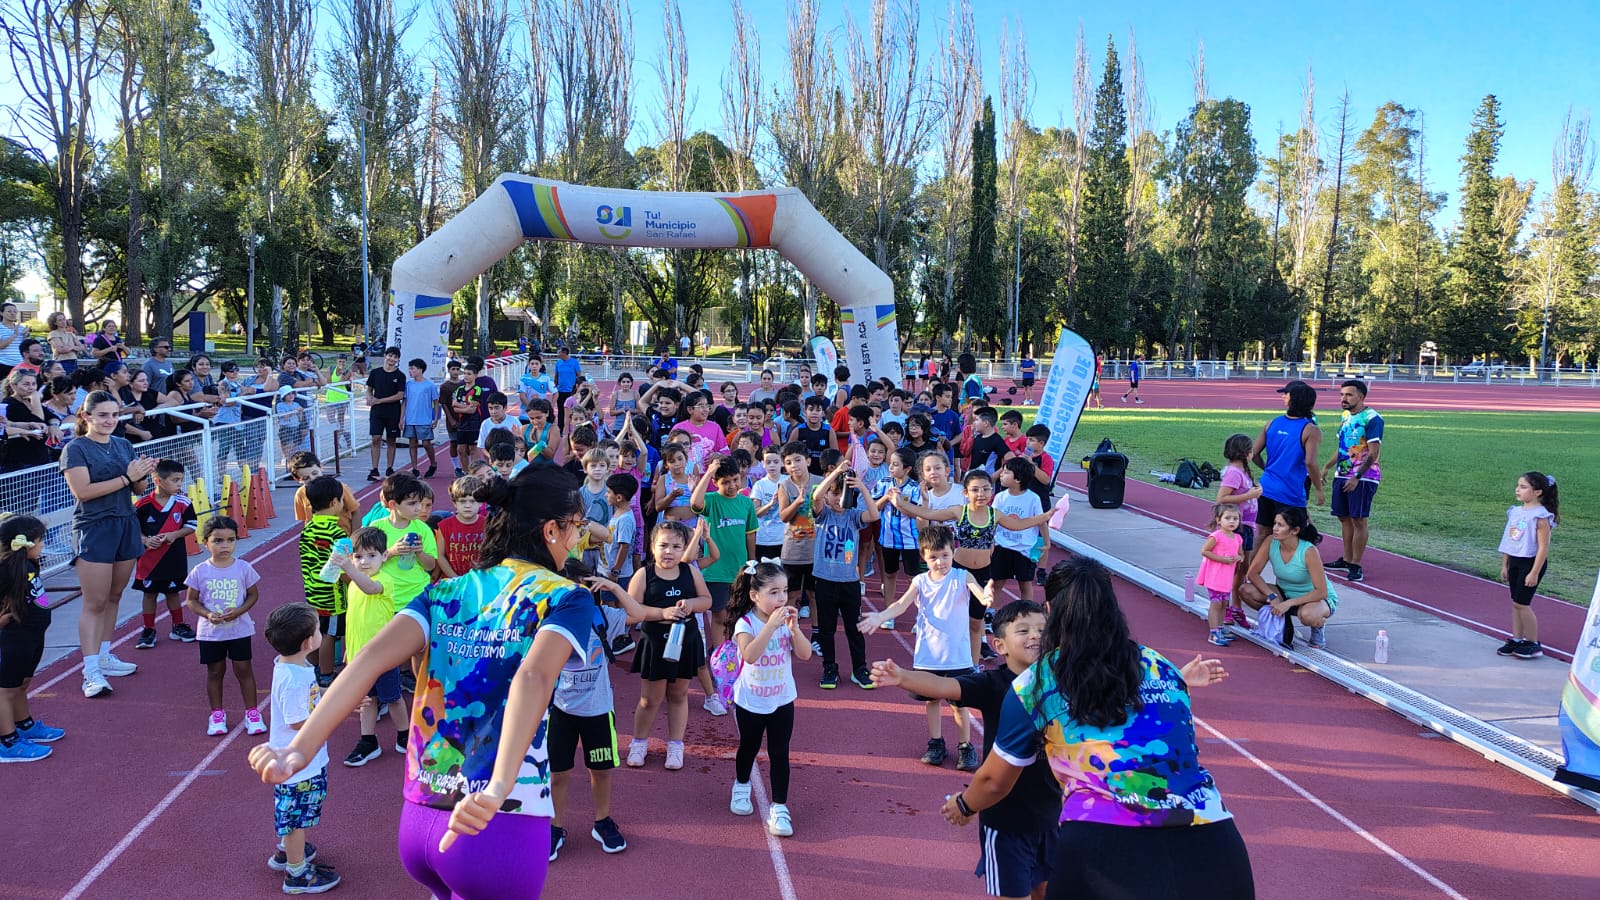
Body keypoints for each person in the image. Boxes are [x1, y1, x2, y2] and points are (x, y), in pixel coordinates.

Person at [250, 466, 601, 898]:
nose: (579, 539)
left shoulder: (446, 591)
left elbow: (367, 659)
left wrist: (298, 749)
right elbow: (533, 675)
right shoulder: (566, 596)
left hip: (421, 815)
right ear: (552, 529)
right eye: (578, 528)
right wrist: (498, 787)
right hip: (497, 820)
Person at [942, 558, 1248, 900]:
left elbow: (993, 781)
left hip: (1104, 851)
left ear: (1050, 612)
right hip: (1214, 845)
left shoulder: (1035, 683)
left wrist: (964, 805)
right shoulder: (1159, 664)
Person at [870, 600, 1059, 900]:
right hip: (1007, 823)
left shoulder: (1061, 682)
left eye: (1042, 629)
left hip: (1053, 816)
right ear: (999, 646)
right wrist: (903, 677)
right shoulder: (994, 685)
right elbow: (944, 686)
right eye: (1023, 630)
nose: (1035, 635)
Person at [892, 466, 1052, 674]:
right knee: (953, 620)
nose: (981, 494)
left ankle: (973, 666)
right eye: (975, 490)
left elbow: (1019, 524)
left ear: (991, 492)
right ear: (966, 493)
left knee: (976, 623)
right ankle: (943, 661)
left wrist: (1046, 515)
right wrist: (900, 503)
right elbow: (928, 513)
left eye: (986, 489)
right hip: (957, 572)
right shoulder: (960, 511)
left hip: (983, 573)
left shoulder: (995, 514)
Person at [859, 525, 993, 770]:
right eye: (933, 557)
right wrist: (881, 616)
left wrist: (987, 598)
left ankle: (965, 746)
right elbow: (901, 603)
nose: (940, 562)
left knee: (959, 704)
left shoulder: (962, 577)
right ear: (923, 556)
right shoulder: (920, 581)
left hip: (957, 656)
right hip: (929, 656)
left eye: (944, 555)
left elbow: (979, 594)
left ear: (953, 552)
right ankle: (936, 742)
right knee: (931, 702)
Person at [62, 390, 155, 698]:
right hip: (94, 527)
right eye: (103, 415)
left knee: (114, 596)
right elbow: (83, 492)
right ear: (86, 416)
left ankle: (103, 655)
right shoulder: (76, 449)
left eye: (115, 415)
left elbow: (139, 489)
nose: (110, 421)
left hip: (125, 523)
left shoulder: (124, 444)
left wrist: (143, 475)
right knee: (95, 601)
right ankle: (90, 671)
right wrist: (127, 479)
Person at [546, 577, 643, 860]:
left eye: (582, 592)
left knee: (600, 771)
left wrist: (613, 588)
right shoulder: (551, 620)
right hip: (561, 710)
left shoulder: (603, 616)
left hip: (597, 710)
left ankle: (602, 822)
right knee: (557, 774)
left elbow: (637, 614)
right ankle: (555, 828)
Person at [722, 559, 811, 837]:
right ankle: (741, 785)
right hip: (751, 701)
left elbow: (805, 655)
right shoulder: (745, 623)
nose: (782, 598)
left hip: (782, 699)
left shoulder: (786, 622)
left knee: (779, 753)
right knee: (748, 747)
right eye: (773, 592)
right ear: (754, 595)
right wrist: (772, 627)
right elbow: (749, 655)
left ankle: (780, 807)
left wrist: (794, 629)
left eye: (784, 591)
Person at [262, 603, 342, 893]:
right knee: (296, 818)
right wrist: (334, 713)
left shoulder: (291, 665)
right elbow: (299, 722)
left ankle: (287, 851)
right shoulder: (294, 679)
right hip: (299, 765)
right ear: (309, 642)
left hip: (297, 762)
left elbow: (311, 696)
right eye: (318, 629)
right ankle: (296, 874)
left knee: (291, 813)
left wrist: (332, 696)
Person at [624, 520, 712, 770]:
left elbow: (706, 600)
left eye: (676, 546)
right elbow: (631, 613)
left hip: (685, 641)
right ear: (652, 547)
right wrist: (662, 613)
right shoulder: (644, 575)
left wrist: (691, 605)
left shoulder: (690, 571)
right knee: (650, 699)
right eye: (663, 545)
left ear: (685, 548)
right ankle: (639, 743)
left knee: (679, 694)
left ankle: (675, 746)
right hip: (655, 643)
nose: (669, 551)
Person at [184, 516, 265, 736]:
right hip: (211, 633)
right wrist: (208, 614)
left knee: (244, 669)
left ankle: (252, 713)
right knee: (215, 672)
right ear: (205, 542)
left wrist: (238, 612)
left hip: (239, 629)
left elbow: (252, 595)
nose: (225, 545)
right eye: (218, 541)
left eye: (230, 540)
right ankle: (217, 714)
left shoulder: (243, 568)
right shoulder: (200, 571)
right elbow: (191, 600)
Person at [690, 455, 757, 714]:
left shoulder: (745, 504)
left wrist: (752, 564)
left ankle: (737, 657)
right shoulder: (711, 501)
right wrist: (709, 472)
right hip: (716, 572)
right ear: (716, 483)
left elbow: (751, 535)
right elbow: (695, 502)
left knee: (737, 616)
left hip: (740, 571)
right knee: (718, 616)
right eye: (725, 482)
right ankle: (719, 660)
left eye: (735, 481)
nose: (731, 486)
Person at [809, 457, 880, 690]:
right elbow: (816, 496)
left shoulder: (853, 517)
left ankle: (859, 668)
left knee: (854, 627)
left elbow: (874, 515)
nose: (837, 500)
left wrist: (861, 488)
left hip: (849, 582)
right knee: (827, 628)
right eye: (834, 494)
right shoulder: (823, 515)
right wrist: (835, 473)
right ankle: (830, 667)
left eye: (842, 495)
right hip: (825, 580)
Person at [0, 515, 66, 762]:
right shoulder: (5, 569)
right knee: (5, 690)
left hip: (33, 635)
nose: (42, 546)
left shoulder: (28, 565)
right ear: (26, 543)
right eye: (40, 541)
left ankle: (24, 724)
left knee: (22, 684)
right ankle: (7, 743)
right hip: (15, 638)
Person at [1238, 507, 1339, 649]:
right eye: (1275, 523)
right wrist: (1272, 596)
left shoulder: (1309, 551)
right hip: (1283, 593)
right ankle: (1285, 623)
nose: (1274, 528)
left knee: (1307, 615)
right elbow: (1253, 574)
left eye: (1280, 525)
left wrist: (1289, 603)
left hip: (1315, 598)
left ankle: (1318, 626)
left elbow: (1321, 592)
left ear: (1295, 530)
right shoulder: (1270, 541)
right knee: (1245, 590)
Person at [1320, 380, 1382, 583]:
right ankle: (1346, 559)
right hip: (1342, 473)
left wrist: (1357, 477)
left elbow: (1373, 454)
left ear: (1361, 397)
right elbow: (1343, 446)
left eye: (1349, 395)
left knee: (1358, 519)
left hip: (1363, 477)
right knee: (1344, 518)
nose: (1343, 399)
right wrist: (1328, 466)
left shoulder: (1372, 418)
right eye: (1341, 395)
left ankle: (1356, 564)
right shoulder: (1346, 416)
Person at [132, 459, 198, 649]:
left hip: (174, 557)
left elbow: (191, 526)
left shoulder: (184, 502)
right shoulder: (142, 505)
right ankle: (149, 629)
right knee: (149, 594)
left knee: (172, 592)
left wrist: (173, 535)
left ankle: (177, 625)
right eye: (175, 480)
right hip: (148, 560)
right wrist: (145, 540)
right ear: (158, 481)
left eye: (181, 480)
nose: (179, 485)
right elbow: (134, 529)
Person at [1250, 379, 1324, 541]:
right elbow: (1310, 462)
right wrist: (1318, 489)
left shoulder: (1272, 423)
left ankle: (1250, 567)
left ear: (1291, 400)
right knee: (1299, 537)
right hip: (1290, 492)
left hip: (1266, 487)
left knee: (1263, 535)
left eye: (1286, 395)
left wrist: (1269, 470)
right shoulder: (1311, 429)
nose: (1283, 397)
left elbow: (1253, 453)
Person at [1496, 472, 1557, 660]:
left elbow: (1543, 547)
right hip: (1514, 560)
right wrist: (1505, 564)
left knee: (1522, 604)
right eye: (1518, 485)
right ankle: (1517, 638)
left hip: (1530, 564)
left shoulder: (1540, 516)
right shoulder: (1515, 511)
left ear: (1538, 492)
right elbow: (1510, 539)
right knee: (1516, 604)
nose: (1517, 489)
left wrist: (1534, 572)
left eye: (1523, 487)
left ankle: (1532, 642)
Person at [1214, 433, 1260, 626]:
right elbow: (1222, 498)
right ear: (1247, 453)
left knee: (1242, 569)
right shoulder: (1234, 472)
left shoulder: (1244, 471)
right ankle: (1225, 608)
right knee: (1232, 570)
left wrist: (1254, 492)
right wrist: (1249, 494)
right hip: (1236, 528)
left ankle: (1236, 607)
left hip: (1247, 526)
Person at [1198, 503, 1246, 647]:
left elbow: (1241, 554)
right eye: (1227, 518)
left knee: (1224, 603)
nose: (1232, 521)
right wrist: (1222, 559)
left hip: (1226, 579)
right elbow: (1205, 551)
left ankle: (1219, 628)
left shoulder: (1237, 538)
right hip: (1215, 577)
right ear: (1219, 520)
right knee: (1216, 603)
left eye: (1235, 518)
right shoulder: (1216, 536)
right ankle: (1213, 632)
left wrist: (1240, 558)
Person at [435, 475, 488, 579]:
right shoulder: (445, 526)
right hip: (452, 581)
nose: (467, 505)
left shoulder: (487, 524)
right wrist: (455, 578)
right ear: (455, 503)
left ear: (481, 502)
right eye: (462, 501)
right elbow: (440, 555)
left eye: (472, 501)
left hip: (479, 580)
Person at [2, 369, 55, 473]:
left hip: (40, 456)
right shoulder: (9, 404)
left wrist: (54, 425)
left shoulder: (29, 401)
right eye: (26, 384)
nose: (31, 388)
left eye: (34, 384)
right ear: (13, 386)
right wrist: (35, 399)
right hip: (22, 460)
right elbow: (38, 422)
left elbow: (51, 416)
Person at [367, 346, 407, 481]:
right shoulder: (375, 373)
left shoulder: (400, 376)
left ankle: (390, 468)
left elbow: (400, 395)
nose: (392, 359)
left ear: (398, 359)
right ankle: (374, 468)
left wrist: (380, 400)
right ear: (385, 356)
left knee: (391, 440)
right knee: (375, 438)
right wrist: (369, 398)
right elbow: (369, 389)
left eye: (395, 357)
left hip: (393, 411)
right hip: (377, 412)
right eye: (390, 356)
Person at [402, 358, 441, 478]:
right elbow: (404, 402)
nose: (410, 371)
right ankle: (414, 468)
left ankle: (433, 463)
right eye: (410, 368)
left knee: (426, 443)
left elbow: (435, 402)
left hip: (424, 419)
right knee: (412, 443)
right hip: (410, 419)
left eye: (412, 368)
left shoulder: (429, 385)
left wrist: (435, 418)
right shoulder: (408, 385)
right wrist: (401, 418)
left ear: (420, 370)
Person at [553, 347, 582, 429]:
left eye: (560, 352)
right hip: (560, 390)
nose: (558, 354)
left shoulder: (574, 362)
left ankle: (573, 427)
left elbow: (579, 375)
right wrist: (555, 386)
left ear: (565, 353)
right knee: (561, 410)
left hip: (571, 391)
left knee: (572, 410)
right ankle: (561, 428)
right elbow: (556, 376)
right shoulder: (558, 363)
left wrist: (578, 387)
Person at [0, 302, 25, 378]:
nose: (12, 314)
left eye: (15, 311)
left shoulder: (21, 328)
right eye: (9, 311)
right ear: (1, 313)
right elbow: (1, 346)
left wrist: (25, 337)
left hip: (20, 364)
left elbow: (25, 347)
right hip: (3, 364)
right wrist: (14, 335)